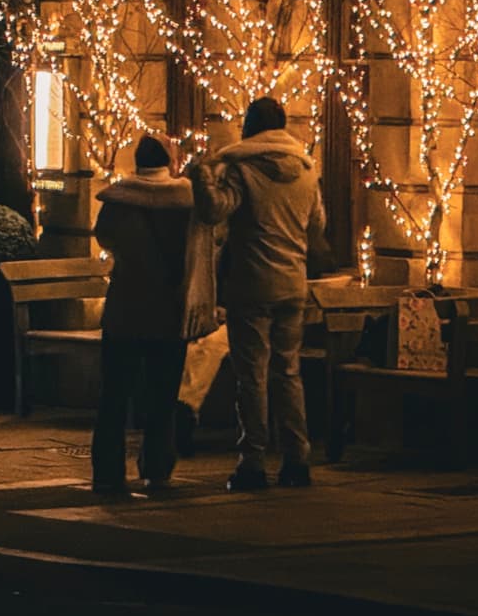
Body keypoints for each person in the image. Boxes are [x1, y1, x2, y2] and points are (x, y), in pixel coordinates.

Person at [187, 96, 325, 491]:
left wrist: (202, 175)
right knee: (289, 371)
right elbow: (317, 225)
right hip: (293, 283)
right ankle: (298, 458)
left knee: (253, 376)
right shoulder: (306, 168)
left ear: (250, 126)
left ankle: (253, 461)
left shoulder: (241, 168)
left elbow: (215, 211)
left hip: (251, 283)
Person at [90, 134, 193, 495]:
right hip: (169, 309)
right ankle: (157, 467)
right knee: (163, 395)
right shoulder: (185, 201)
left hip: (125, 309)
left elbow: (104, 237)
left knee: (114, 395)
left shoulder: (119, 200)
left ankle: (107, 471)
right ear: (170, 161)